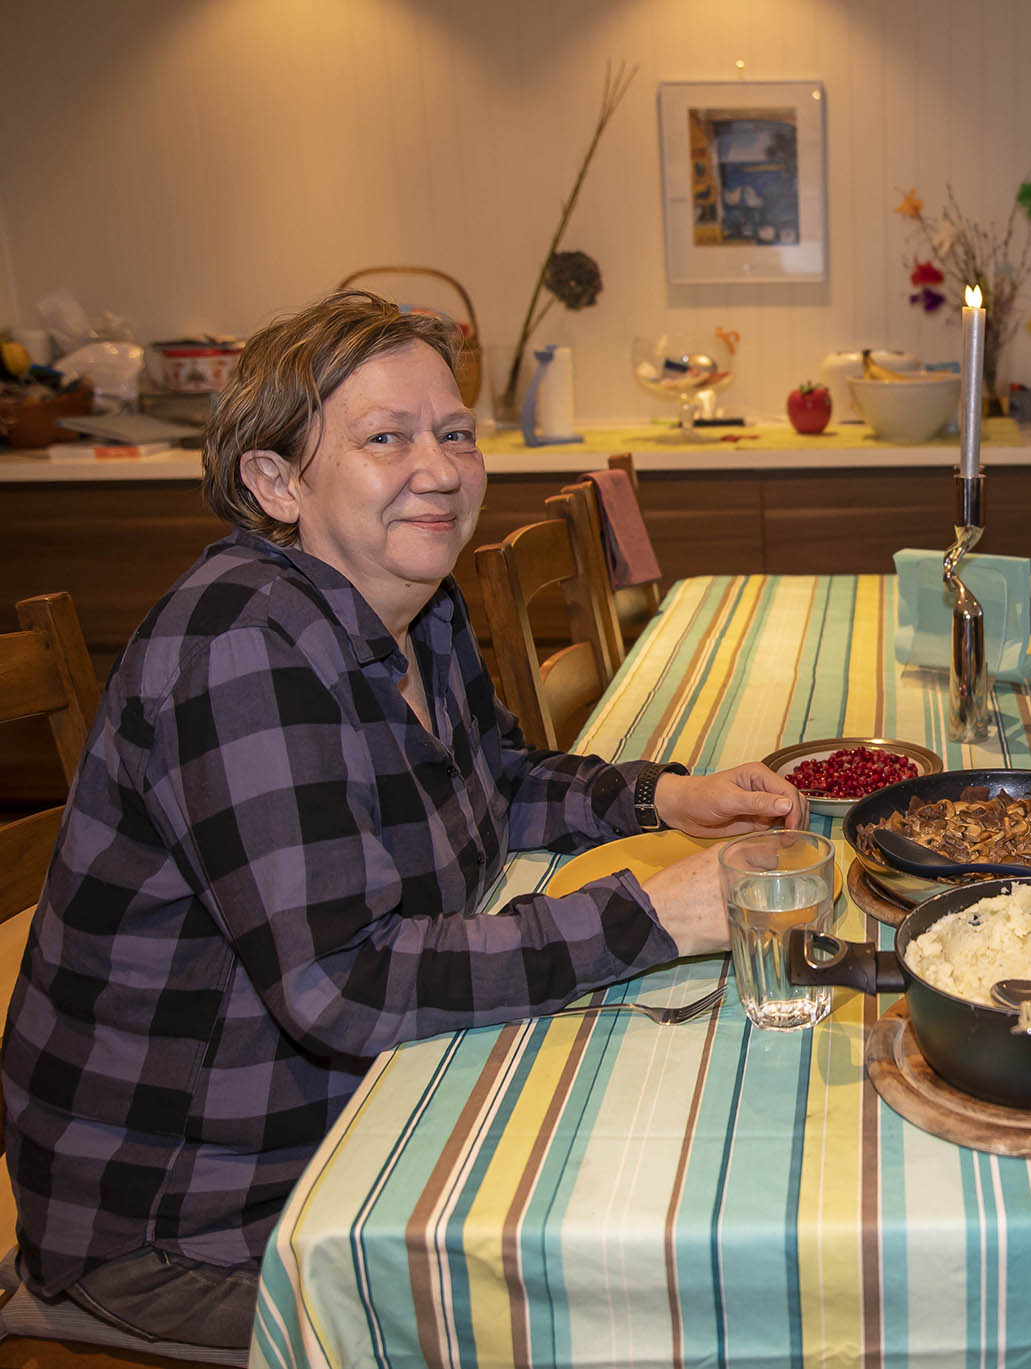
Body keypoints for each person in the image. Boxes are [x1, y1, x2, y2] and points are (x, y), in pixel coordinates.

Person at [1, 291, 804, 1351]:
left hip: (352, 1120)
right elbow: (343, 983)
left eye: (455, 433)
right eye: (387, 438)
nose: (440, 468)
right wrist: (654, 913)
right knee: (592, 1315)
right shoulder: (243, 649)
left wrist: (661, 799)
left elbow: (497, 779)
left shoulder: (410, 604)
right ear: (277, 481)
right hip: (197, 1222)